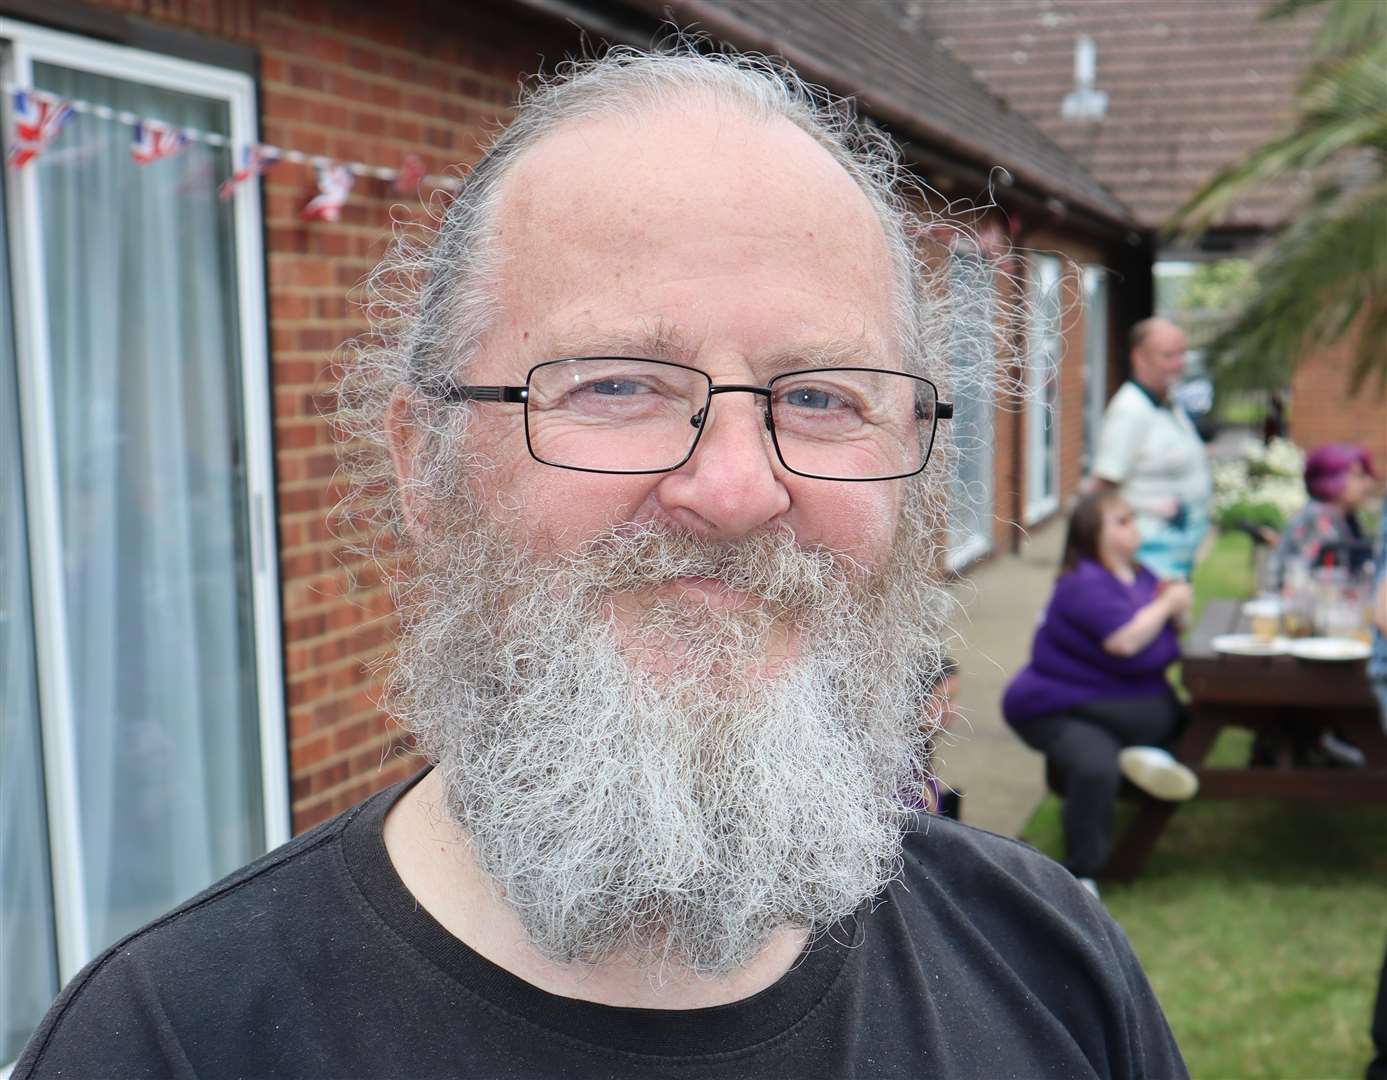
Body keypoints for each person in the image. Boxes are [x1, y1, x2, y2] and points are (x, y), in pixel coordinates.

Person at [16, 46, 1186, 1079]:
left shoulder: (1051, 969)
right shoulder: (171, 1043)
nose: (734, 491)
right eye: (616, 384)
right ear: (424, 465)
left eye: (823, 398)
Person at [1003, 491, 1200, 893]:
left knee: (1125, 743)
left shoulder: (1139, 574)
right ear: (1094, 532)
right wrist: (1165, 608)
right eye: (1121, 521)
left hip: (1109, 701)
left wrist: (1175, 611)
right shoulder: (1084, 582)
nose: (1133, 527)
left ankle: (1141, 748)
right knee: (1108, 756)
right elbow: (1123, 642)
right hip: (1055, 704)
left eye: (1132, 518)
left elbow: (1164, 637)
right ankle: (1082, 875)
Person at [1089, 318, 1212, 580]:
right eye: (1168, 355)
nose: (1178, 363)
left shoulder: (1166, 403)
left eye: (1182, 354)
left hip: (1174, 560)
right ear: (1139, 358)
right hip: (1146, 561)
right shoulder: (1130, 411)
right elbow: (1101, 490)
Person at [1269, 442, 1377, 588]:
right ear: (1331, 480)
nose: (1368, 483)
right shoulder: (1318, 520)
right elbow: (1323, 581)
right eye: (1359, 476)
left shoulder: (1344, 516)